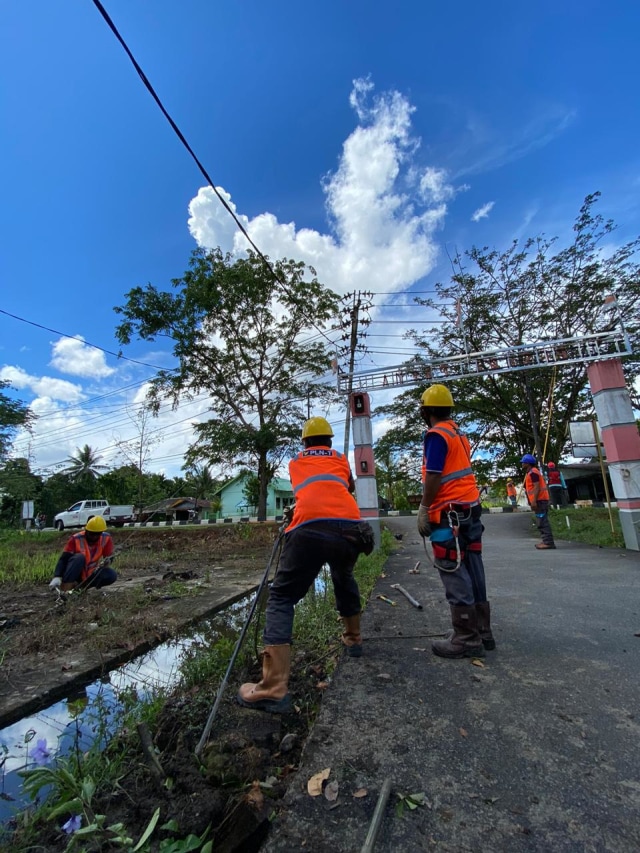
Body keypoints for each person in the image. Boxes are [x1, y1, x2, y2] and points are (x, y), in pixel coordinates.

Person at [237, 416, 373, 713]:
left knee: (283, 596)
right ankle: (354, 639)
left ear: (305, 442)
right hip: (349, 527)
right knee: (343, 575)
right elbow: (340, 488)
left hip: (309, 527)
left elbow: (310, 491)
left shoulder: (297, 462)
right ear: (329, 440)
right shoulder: (340, 459)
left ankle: (273, 687)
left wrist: (296, 511)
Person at [417, 384, 495, 659]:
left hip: (449, 515)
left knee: (452, 566)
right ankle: (482, 631)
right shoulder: (458, 433)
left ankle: (465, 637)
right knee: (473, 565)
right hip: (470, 509)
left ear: (425, 411)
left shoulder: (436, 435)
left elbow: (435, 475)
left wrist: (424, 507)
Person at [48, 516, 117, 592]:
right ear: (86, 530)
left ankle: (82, 587)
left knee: (111, 575)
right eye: (92, 534)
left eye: (97, 534)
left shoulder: (106, 538)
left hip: (90, 574)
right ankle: (66, 588)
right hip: (76, 573)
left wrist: (108, 561)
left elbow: (109, 556)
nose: (94, 537)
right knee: (79, 558)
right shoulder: (76, 539)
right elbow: (64, 559)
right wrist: (57, 576)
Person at [521, 454, 556, 550]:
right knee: (541, 520)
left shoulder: (533, 473)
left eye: (523, 462)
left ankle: (548, 542)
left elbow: (536, 487)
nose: (522, 464)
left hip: (540, 500)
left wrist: (534, 501)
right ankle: (546, 541)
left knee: (542, 521)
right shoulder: (532, 472)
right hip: (540, 500)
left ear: (527, 463)